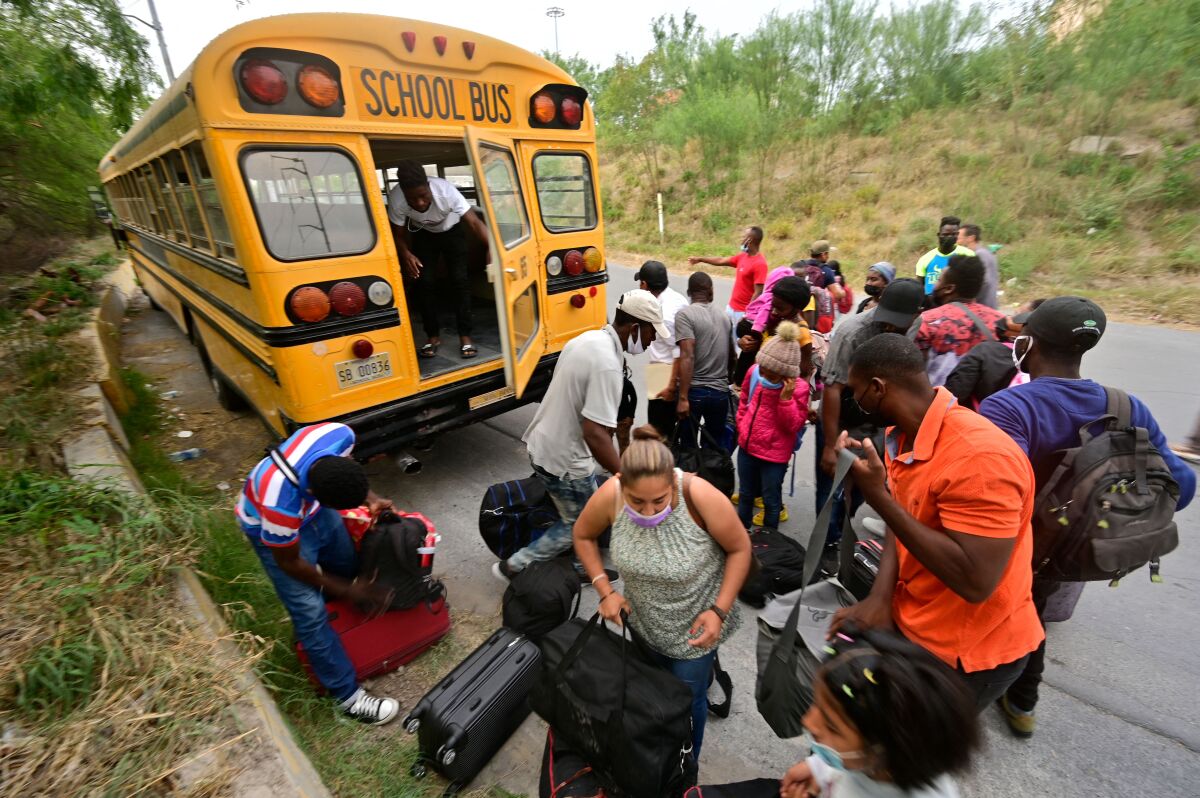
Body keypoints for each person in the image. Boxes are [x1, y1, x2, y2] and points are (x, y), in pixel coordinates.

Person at [978, 296, 1196, 736]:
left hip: (1021, 549)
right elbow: (1183, 488)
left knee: (1010, 614)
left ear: (1028, 343)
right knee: (1033, 609)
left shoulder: (1009, 408)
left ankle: (991, 694)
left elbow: (995, 498)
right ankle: (1021, 703)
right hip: (1083, 544)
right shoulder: (1126, 406)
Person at [830, 333, 1044, 711]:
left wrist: (877, 496)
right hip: (918, 624)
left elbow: (974, 581)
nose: (854, 403)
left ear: (878, 389)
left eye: (856, 392)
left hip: (967, 654)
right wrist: (880, 600)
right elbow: (906, 525)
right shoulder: (905, 435)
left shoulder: (979, 460)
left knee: (905, 759)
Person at [574, 426, 751, 761]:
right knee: (650, 696)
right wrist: (604, 589)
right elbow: (582, 535)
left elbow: (740, 549)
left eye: (659, 500)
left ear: (674, 481)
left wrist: (718, 611)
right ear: (619, 482)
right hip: (641, 628)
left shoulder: (699, 495)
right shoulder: (610, 493)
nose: (649, 511)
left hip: (695, 634)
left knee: (686, 702)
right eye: (636, 501)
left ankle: (684, 768)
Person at [492, 289, 669, 582]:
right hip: (566, 460)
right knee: (581, 523)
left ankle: (579, 566)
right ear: (635, 327)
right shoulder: (607, 365)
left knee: (580, 514)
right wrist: (625, 476)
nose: (652, 341)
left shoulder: (589, 340)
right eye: (651, 333)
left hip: (545, 442)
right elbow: (595, 433)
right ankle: (514, 566)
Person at [236, 422, 400, 724]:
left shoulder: (338, 436)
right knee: (308, 611)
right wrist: (348, 590)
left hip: (316, 511)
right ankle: (348, 698)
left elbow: (345, 466)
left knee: (346, 564)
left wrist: (371, 499)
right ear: (312, 493)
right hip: (270, 532)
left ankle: (337, 629)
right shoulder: (279, 504)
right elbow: (291, 564)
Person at [780, 627, 979, 798]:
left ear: (890, 751)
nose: (808, 721)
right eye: (816, 704)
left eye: (832, 727)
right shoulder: (870, 760)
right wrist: (818, 768)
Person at [817, 280, 924, 551]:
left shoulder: (915, 324)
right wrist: (831, 446)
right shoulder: (852, 333)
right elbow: (832, 389)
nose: (890, 327)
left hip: (879, 420)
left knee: (867, 484)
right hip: (841, 417)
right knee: (834, 490)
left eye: (897, 323)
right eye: (886, 320)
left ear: (915, 314)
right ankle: (827, 544)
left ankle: (844, 528)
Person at [388, 160, 491, 360]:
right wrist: (406, 254)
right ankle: (432, 336)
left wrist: (492, 247)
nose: (419, 203)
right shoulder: (397, 198)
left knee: (459, 281)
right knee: (424, 283)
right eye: (412, 199)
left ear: (429, 186)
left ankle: (465, 336)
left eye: (423, 196)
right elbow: (398, 235)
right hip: (424, 235)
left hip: (452, 231)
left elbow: (475, 223)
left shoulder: (446, 191)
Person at [736, 321, 810, 532]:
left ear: (787, 374)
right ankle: (741, 535)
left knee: (771, 501)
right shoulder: (755, 372)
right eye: (764, 369)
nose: (765, 376)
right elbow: (743, 400)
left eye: (772, 374)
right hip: (747, 448)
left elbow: (793, 425)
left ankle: (769, 542)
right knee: (746, 495)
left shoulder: (799, 389)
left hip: (773, 457)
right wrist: (742, 426)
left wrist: (785, 400)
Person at [912, 255, 1006, 387]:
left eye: (938, 280)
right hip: (982, 405)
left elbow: (910, 370)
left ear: (949, 289)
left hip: (939, 404)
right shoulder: (1001, 321)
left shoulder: (928, 321)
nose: (934, 284)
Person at [943, 300, 1043, 409]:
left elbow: (951, 397)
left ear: (1025, 325)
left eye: (1016, 315)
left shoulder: (986, 351)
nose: (1008, 318)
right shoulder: (1054, 363)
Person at [672, 272, 734, 447]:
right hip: (720, 394)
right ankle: (709, 475)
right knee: (713, 448)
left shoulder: (685, 315)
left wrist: (683, 398)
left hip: (694, 393)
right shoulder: (724, 316)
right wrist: (728, 380)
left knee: (688, 448)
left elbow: (687, 355)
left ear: (689, 292)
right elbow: (732, 355)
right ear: (711, 290)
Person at [636, 260, 689, 438]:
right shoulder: (677, 298)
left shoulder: (663, 316)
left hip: (665, 373)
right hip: (664, 370)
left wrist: (671, 387)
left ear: (644, 284)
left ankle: (661, 463)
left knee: (658, 431)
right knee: (669, 429)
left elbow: (679, 352)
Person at [688, 226, 767, 340]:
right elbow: (721, 260)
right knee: (723, 340)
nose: (741, 239)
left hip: (743, 313)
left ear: (750, 240)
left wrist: (747, 314)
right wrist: (700, 259)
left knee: (738, 343)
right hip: (731, 309)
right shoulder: (743, 257)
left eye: (743, 236)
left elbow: (758, 292)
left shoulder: (760, 264)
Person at [734, 276, 813, 386]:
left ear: (797, 308)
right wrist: (742, 342)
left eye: (780, 309)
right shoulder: (770, 318)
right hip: (756, 385)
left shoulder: (801, 332)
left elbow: (803, 375)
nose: (774, 312)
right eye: (773, 306)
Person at [914, 216, 974, 296]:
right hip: (931, 305)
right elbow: (919, 288)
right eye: (946, 234)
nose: (949, 237)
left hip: (957, 305)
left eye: (953, 234)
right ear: (939, 235)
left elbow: (974, 284)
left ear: (957, 235)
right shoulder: (925, 259)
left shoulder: (968, 255)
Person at [957, 223, 999, 309]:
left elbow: (984, 281)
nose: (956, 241)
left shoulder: (980, 254)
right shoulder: (985, 252)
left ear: (971, 238)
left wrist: (970, 299)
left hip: (983, 307)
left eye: (959, 238)